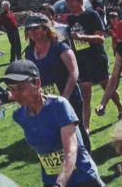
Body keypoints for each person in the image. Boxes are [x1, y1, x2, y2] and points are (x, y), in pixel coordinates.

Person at [23, 13, 91, 150]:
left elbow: (73, 73)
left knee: (77, 131)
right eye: (29, 30)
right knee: (56, 133)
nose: (32, 32)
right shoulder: (29, 52)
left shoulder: (60, 47)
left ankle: (87, 160)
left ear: (45, 28)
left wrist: (64, 98)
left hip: (69, 97)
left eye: (36, 28)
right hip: (46, 100)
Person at [66, 0, 122, 131]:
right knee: (85, 94)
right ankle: (86, 128)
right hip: (81, 60)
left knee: (106, 85)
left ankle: (121, 109)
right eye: (67, 2)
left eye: (72, 1)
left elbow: (100, 38)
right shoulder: (70, 19)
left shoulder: (91, 15)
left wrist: (82, 37)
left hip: (96, 57)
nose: (69, 4)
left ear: (80, 1)